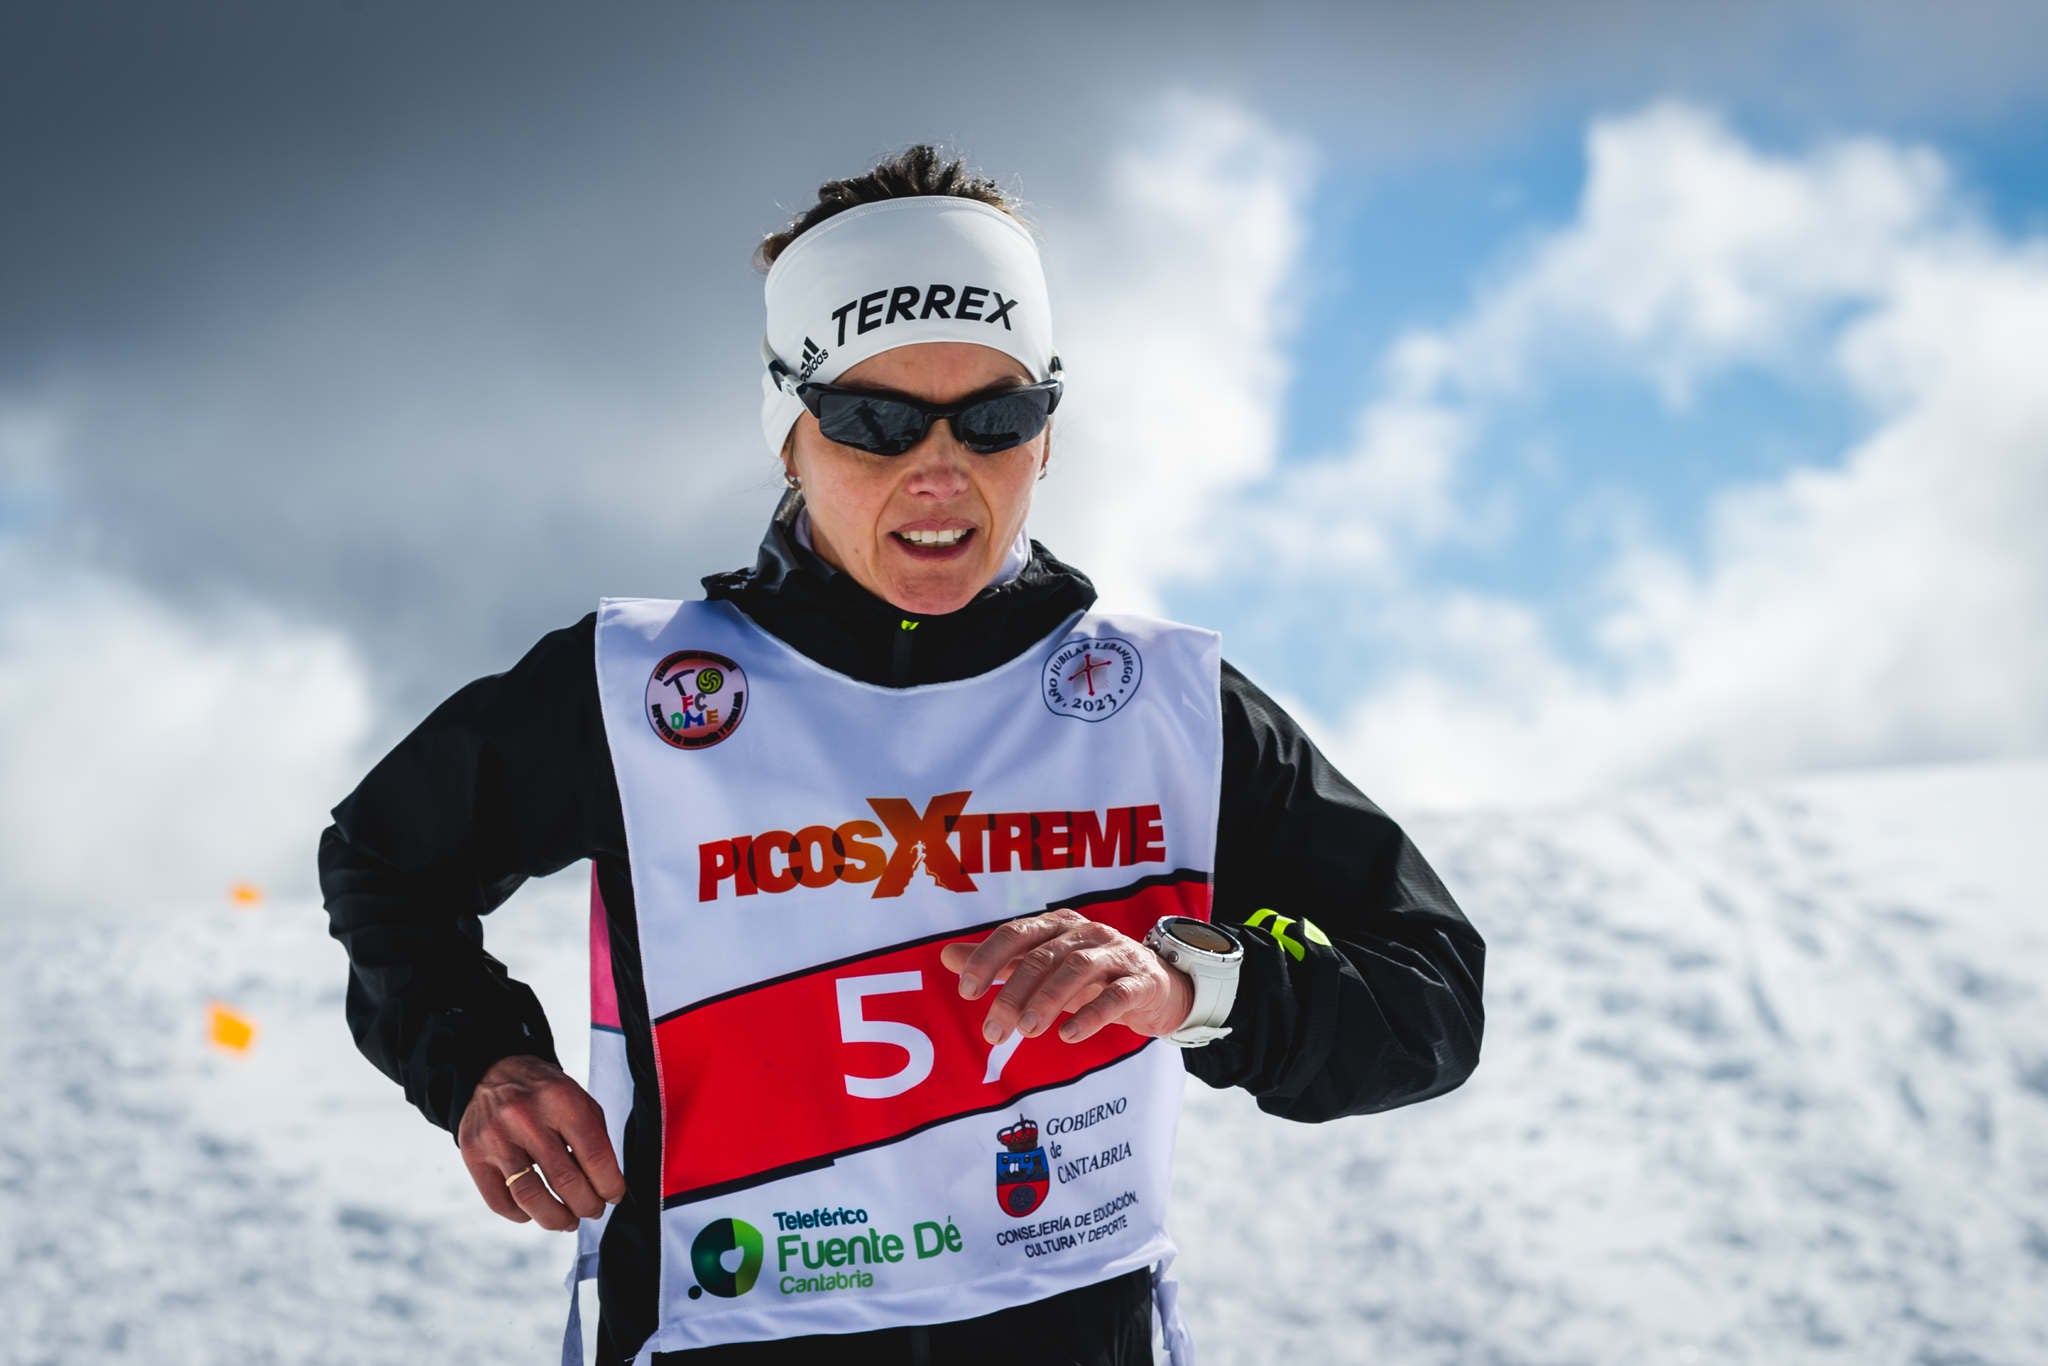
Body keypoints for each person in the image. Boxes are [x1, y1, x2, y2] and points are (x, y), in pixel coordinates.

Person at [318, 145, 1486, 1366]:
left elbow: (1431, 995)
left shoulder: (1161, 706)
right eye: (875, 421)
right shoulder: (637, 690)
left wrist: (1189, 983)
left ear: (1046, 432)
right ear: (789, 432)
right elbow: (383, 861)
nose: (939, 472)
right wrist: (478, 1059)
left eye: (993, 418)